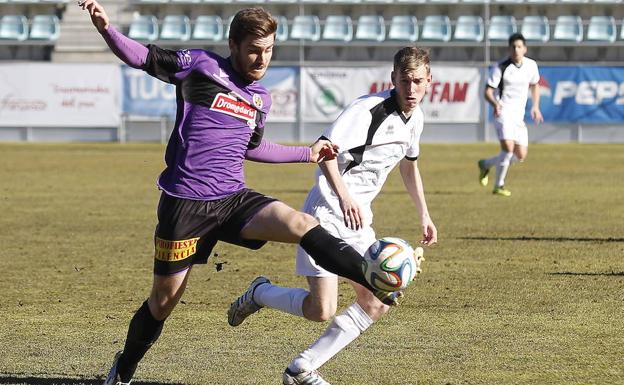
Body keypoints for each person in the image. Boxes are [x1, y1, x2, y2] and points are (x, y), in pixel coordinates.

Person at [78, 2, 400, 384]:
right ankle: (123, 370)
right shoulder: (200, 66)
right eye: (253, 49)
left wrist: (306, 154)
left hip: (233, 199)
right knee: (163, 302)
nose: (261, 58)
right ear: (233, 45)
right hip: (186, 205)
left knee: (301, 222)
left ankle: (371, 277)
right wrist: (106, 30)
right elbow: (143, 57)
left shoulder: (261, 98)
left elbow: (252, 147)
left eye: (268, 50)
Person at [228, 47, 438, 385]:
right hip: (326, 211)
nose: (411, 90)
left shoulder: (417, 119)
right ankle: (260, 292)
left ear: (429, 81)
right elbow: (323, 149)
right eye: (404, 81)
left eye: (417, 82)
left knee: (378, 300)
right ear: (393, 80)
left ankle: (301, 368)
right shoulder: (368, 110)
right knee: (320, 309)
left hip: (359, 221)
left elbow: (409, 166)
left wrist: (425, 215)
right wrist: (345, 197)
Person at [478, 33, 543, 197]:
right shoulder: (500, 67)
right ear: (509, 49)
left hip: (518, 115)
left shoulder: (531, 65)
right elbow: (487, 91)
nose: (516, 50)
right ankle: (499, 185)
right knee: (508, 148)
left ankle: (486, 164)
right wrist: (495, 104)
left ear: (525, 49)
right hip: (503, 112)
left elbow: (535, 85)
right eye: (513, 47)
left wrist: (535, 106)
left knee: (520, 155)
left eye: (519, 47)